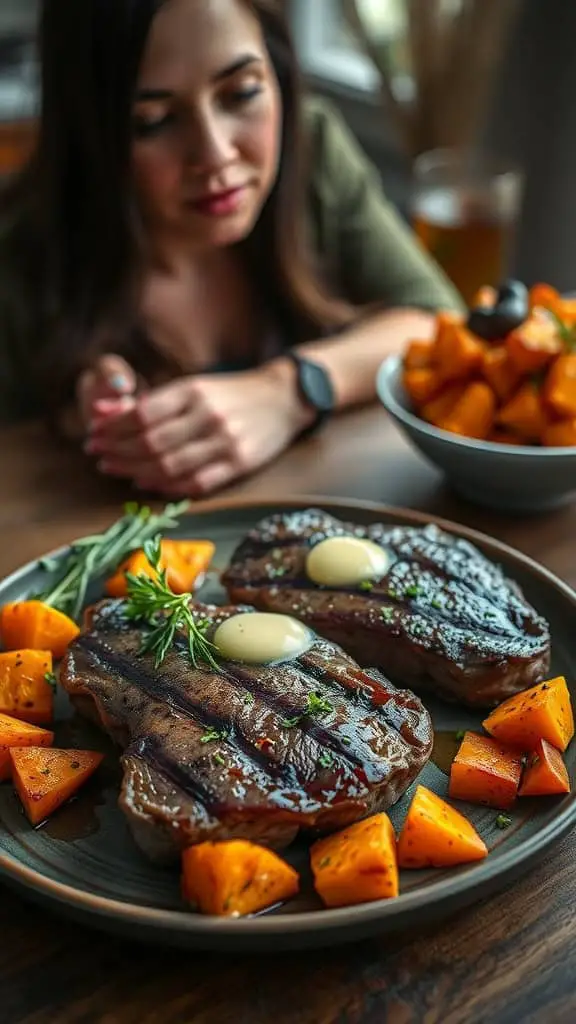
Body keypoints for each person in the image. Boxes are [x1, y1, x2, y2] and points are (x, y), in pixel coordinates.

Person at [0, 0, 462, 498]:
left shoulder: (312, 146)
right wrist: (80, 412)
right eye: (153, 121)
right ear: (89, 133)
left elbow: (439, 323)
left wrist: (290, 392)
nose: (216, 154)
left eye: (241, 93)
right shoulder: (21, 253)